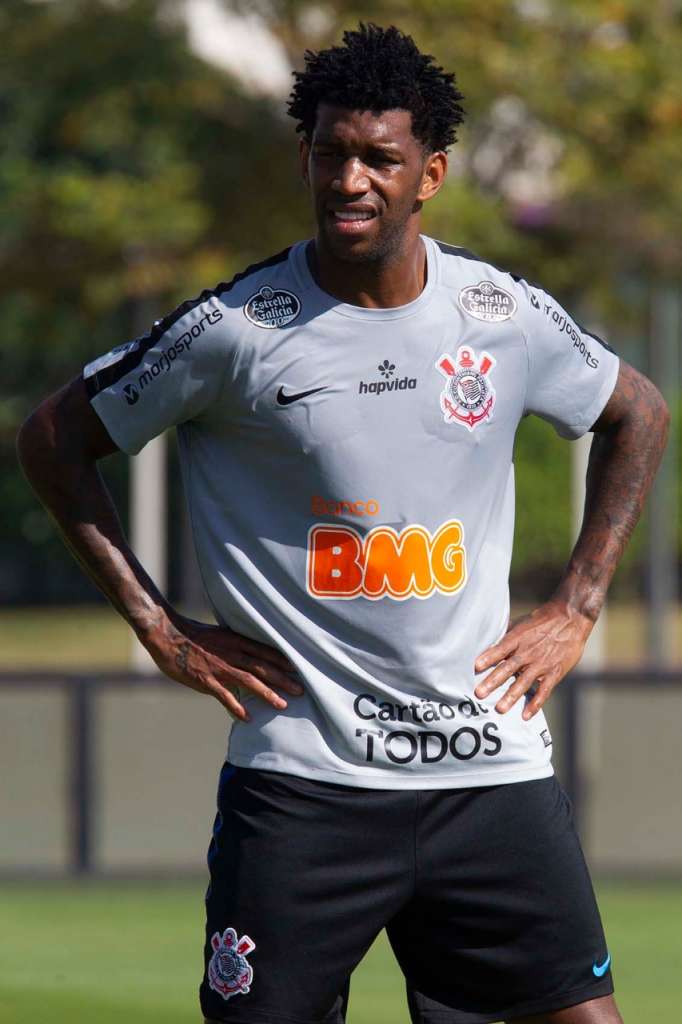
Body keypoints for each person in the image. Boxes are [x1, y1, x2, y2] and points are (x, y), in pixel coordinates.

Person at [17, 22, 668, 1024]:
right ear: (306, 159)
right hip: (304, 783)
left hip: (486, 772)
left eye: (379, 158)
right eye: (331, 153)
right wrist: (159, 625)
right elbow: (54, 437)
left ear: (430, 174)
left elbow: (639, 413)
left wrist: (579, 602)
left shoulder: (500, 313)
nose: (350, 180)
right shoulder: (234, 330)